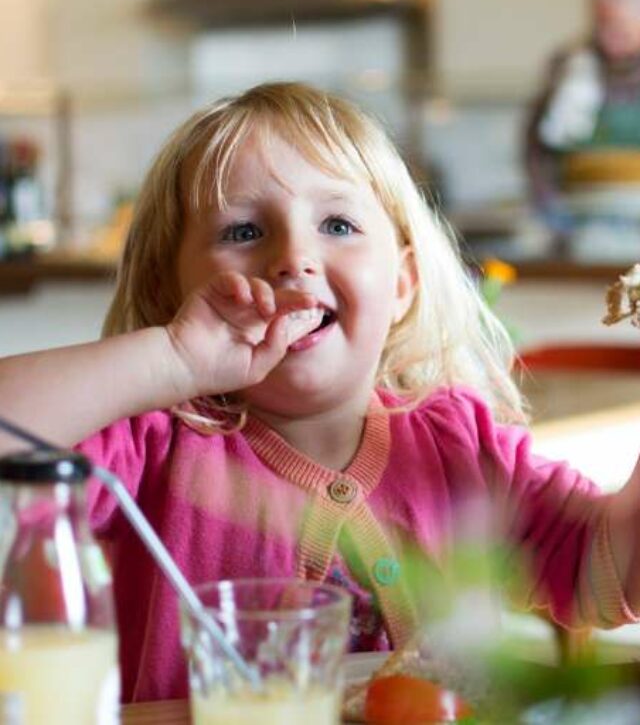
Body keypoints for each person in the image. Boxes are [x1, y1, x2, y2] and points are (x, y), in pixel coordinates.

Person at [0, 81, 639, 704]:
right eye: (243, 232)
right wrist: (170, 358)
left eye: (337, 223)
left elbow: (612, 572)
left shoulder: (461, 446)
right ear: (173, 293)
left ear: (402, 284)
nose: (294, 257)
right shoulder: (152, 445)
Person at [524, 0, 640, 250]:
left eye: (618, 25)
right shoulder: (569, 67)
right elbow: (536, 149)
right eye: (601, 23)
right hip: (580, 231)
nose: (607, 34)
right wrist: (549, 211)